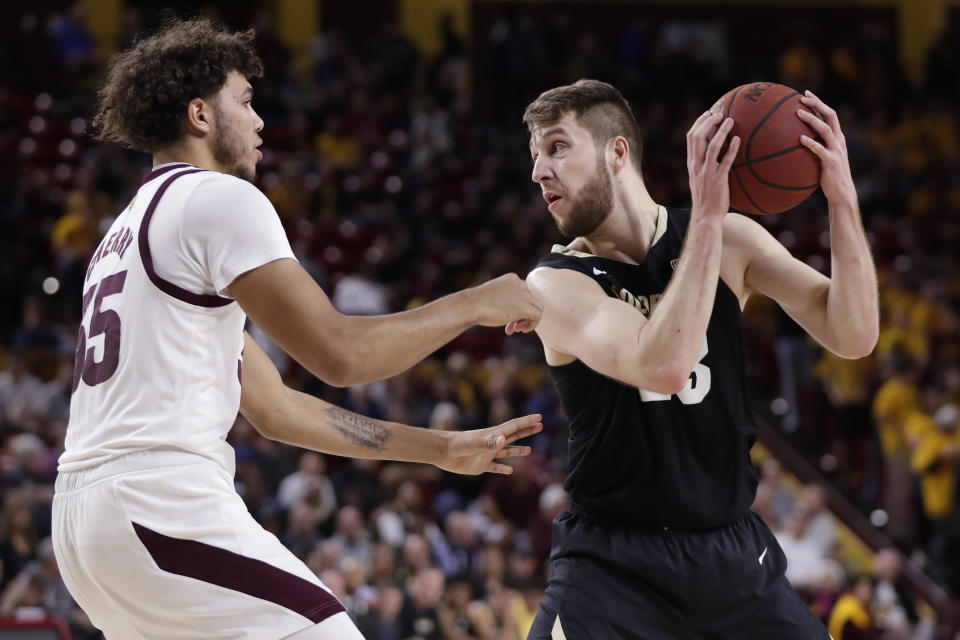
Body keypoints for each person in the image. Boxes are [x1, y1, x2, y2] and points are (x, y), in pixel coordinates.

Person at [51, 18, 543, 640]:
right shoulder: (216, 199)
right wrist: (474, 302)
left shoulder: (126, 229)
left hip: (86, 526)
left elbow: (276, 408)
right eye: (246, 102)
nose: (260, 122)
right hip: (157, 504)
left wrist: (440, 449)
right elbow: (340, 354)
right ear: (200, 115)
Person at [518, 79, 878, 638]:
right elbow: (661, 364)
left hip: (731, 554)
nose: (539, 171)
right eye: (536, 154)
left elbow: (853, 334)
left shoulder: (729, 238)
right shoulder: (554, 283)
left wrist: (842, 199)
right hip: (614, 568)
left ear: (617, 152)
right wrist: (708, 220)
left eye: (557, 147)